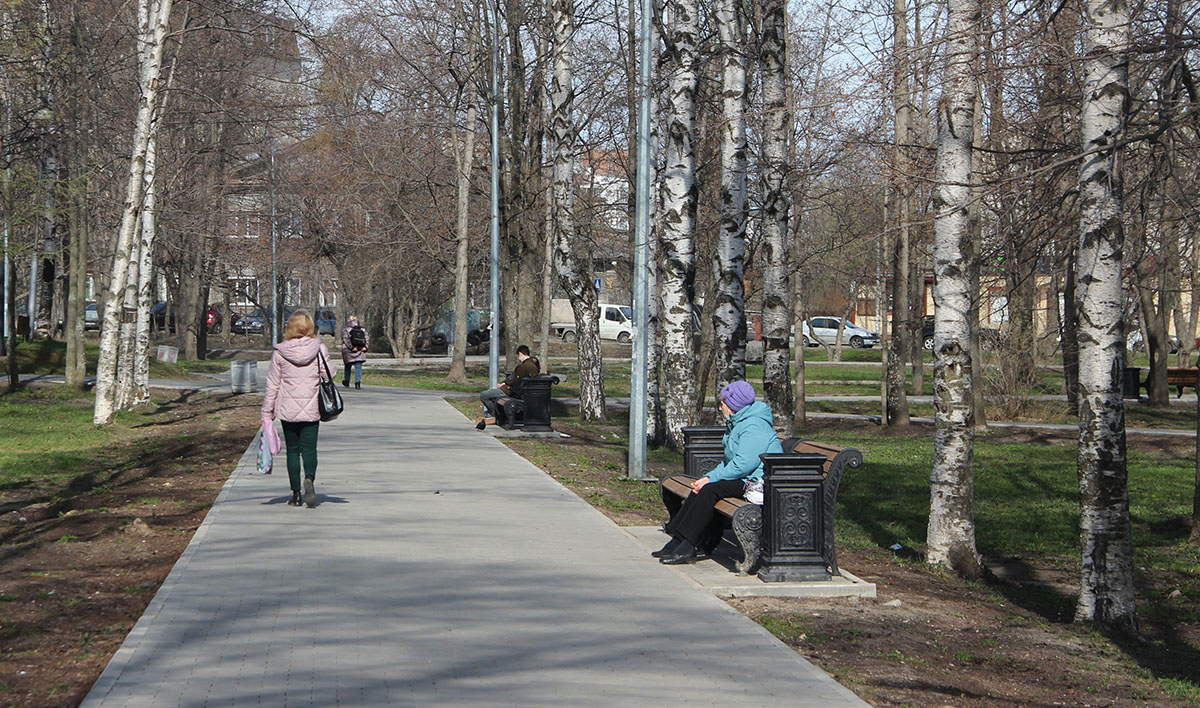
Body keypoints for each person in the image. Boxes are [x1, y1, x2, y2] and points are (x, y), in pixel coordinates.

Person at [653, 380, 783, 565]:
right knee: (702, 488)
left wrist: (710, 480)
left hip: (759, 483)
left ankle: (688, 544)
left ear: (733, 405)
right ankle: (679, 539)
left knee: (709, 490)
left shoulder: (754, 426)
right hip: (746, 479)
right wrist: (707, 478)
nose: (720, 406)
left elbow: (743, 465)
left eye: (722, 403)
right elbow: (728, 462)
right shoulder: (739, 423)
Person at [262, 310, 337, 508]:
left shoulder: (280, 352)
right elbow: (330, 375)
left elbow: (272, 385)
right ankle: (309, 479)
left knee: (293, 451)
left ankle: (295, 494)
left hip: (287, 410)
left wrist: (267, 412)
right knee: (309, 449)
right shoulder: (319, 349)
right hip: (312, 408)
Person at [477, 344, 540, 430]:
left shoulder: (525, 366)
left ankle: (495, 416)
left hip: (512, 391)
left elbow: (515, 380)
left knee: (484, 395)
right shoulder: (529, 364)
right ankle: (496, 415)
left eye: (518, 356)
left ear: (520, 354)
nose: (518, 358)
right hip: (516, 390)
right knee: (494, 398)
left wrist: (504, 384)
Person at [341, 315, 369, 389]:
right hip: (360, 349)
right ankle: (357, 382)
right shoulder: (362, 329)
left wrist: (351, 347)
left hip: (349, 350)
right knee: (358, 366)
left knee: (347, 366)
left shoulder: (346, 329)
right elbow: (367, 338)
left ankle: (347, 381)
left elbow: (346, 339)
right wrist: (365, 347)